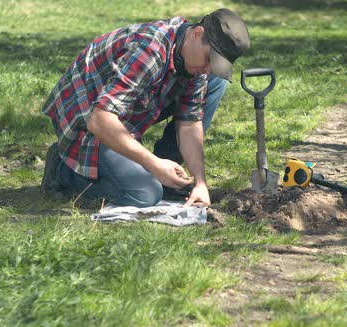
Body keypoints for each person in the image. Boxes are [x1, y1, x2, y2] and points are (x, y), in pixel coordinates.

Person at [40, 8, 250, 208]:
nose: (206, 69)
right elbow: (99, 120)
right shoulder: (149, 52)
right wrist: (153, 165)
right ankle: (62, 171)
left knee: (215, 82)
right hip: (85, 120)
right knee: (145, 193)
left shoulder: (190, 57)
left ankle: (167, 170)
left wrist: (200, 182)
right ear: (197, 33)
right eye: (207, 59)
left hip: (121, 111)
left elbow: (190, 122)